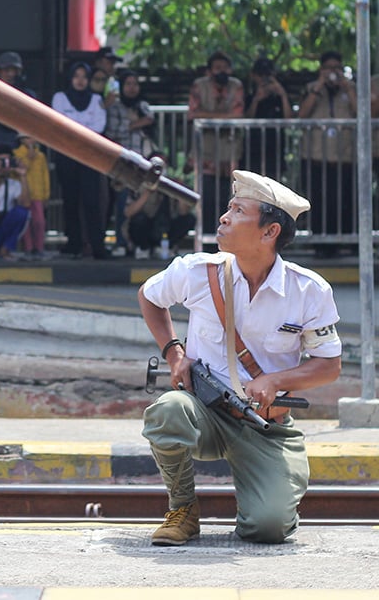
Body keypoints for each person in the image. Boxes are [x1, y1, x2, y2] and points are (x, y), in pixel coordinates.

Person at [137, 170, 341, 547]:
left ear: (269, 232)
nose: (224, 217)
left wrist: (277, 381)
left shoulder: (308, 290)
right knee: (168, 409)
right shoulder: (197, 272)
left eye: (238, 210)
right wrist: (174, 353)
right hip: (204, 412)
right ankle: (183, 509)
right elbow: (149, 296)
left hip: (266, 425)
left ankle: (263, 501)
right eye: (228, 208)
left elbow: (329, 365)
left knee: (268, 529)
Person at [297, 51, 356, 255]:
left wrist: (348, 88)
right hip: (316, 156)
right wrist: (319, 86)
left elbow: (361, 113)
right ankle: (322, 246)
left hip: (346, 156)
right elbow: (302, 115)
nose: (333, 72)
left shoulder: (351, 89)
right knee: (320, 201)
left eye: (337, 68)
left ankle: (349, 243)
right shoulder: (311, 89)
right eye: (329, 68)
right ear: (321, 70)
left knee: (346, 200)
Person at [50, 62, 108, 259]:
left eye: (84, 76)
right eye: (76, 76)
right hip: (67, 156)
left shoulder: (97, 99)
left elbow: (99, 126)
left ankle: (97, 245)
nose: (80, 80)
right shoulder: (60, 98)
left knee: (92, 202)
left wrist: (76, 129)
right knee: (70, 201)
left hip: (90, 158)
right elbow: (60, 124)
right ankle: (73, 243)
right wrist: (84, 128)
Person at [187, 51, 244, 236]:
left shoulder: (236, 86)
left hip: (229, 153)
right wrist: (223, 119)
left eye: (225, 68)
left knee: (228, 200)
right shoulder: (199, 85)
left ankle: (226, 240)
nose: (222, 71)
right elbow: (194, 114)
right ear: (210, 71)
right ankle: (206, 239)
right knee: (206, 198)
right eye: (217, 68)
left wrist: (209, 118)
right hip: (206, 152)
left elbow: (237, 115)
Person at [104, 70, 155, 257]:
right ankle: (120, 241)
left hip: (142, 163)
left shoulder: (142, 104)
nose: (132, 88)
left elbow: (150, 121)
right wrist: (135, 124)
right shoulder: (115, 107)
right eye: (128, 84)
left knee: (143, 204)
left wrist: (136, 123)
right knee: (120, 203)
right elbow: (113, 131)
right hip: (122, 163)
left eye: (135, 84)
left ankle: (140, 243)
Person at [244, 57, 291, 179]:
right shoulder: (248, 96)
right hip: (252, 152)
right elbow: (245, 119)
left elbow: (289, 119)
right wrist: (256, 100)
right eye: (261, 75)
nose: (264, 79)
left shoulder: (280, 97)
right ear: (254, 76)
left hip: (275, 152)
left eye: (268, 75)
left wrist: (282, 94)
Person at [0, 51, 36, 153]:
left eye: (15, 70)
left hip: (21, 137)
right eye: (7, 70)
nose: (11, 74)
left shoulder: (28, 94)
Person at [122, 187, 196, 259]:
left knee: (189, 219)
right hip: (147, 228)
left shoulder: (172, 186)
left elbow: (183, 212)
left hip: (166, 230)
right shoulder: (139, 186)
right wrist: (147, 192)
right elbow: (128, 213)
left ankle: (166, 248)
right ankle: (143, 248)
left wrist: (180, 191)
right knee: (139, 219)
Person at [12, 134, 50, 259]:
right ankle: (28, 248)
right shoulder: (17, 154)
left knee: (39, 222)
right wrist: (28, 157)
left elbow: (45, 176)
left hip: (38, 195)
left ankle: (39, 247)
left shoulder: (41, 156)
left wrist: (46, 195)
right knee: (26, 223)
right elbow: (20, 171)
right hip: (24, 195)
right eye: (28, 137)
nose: (31, 140)